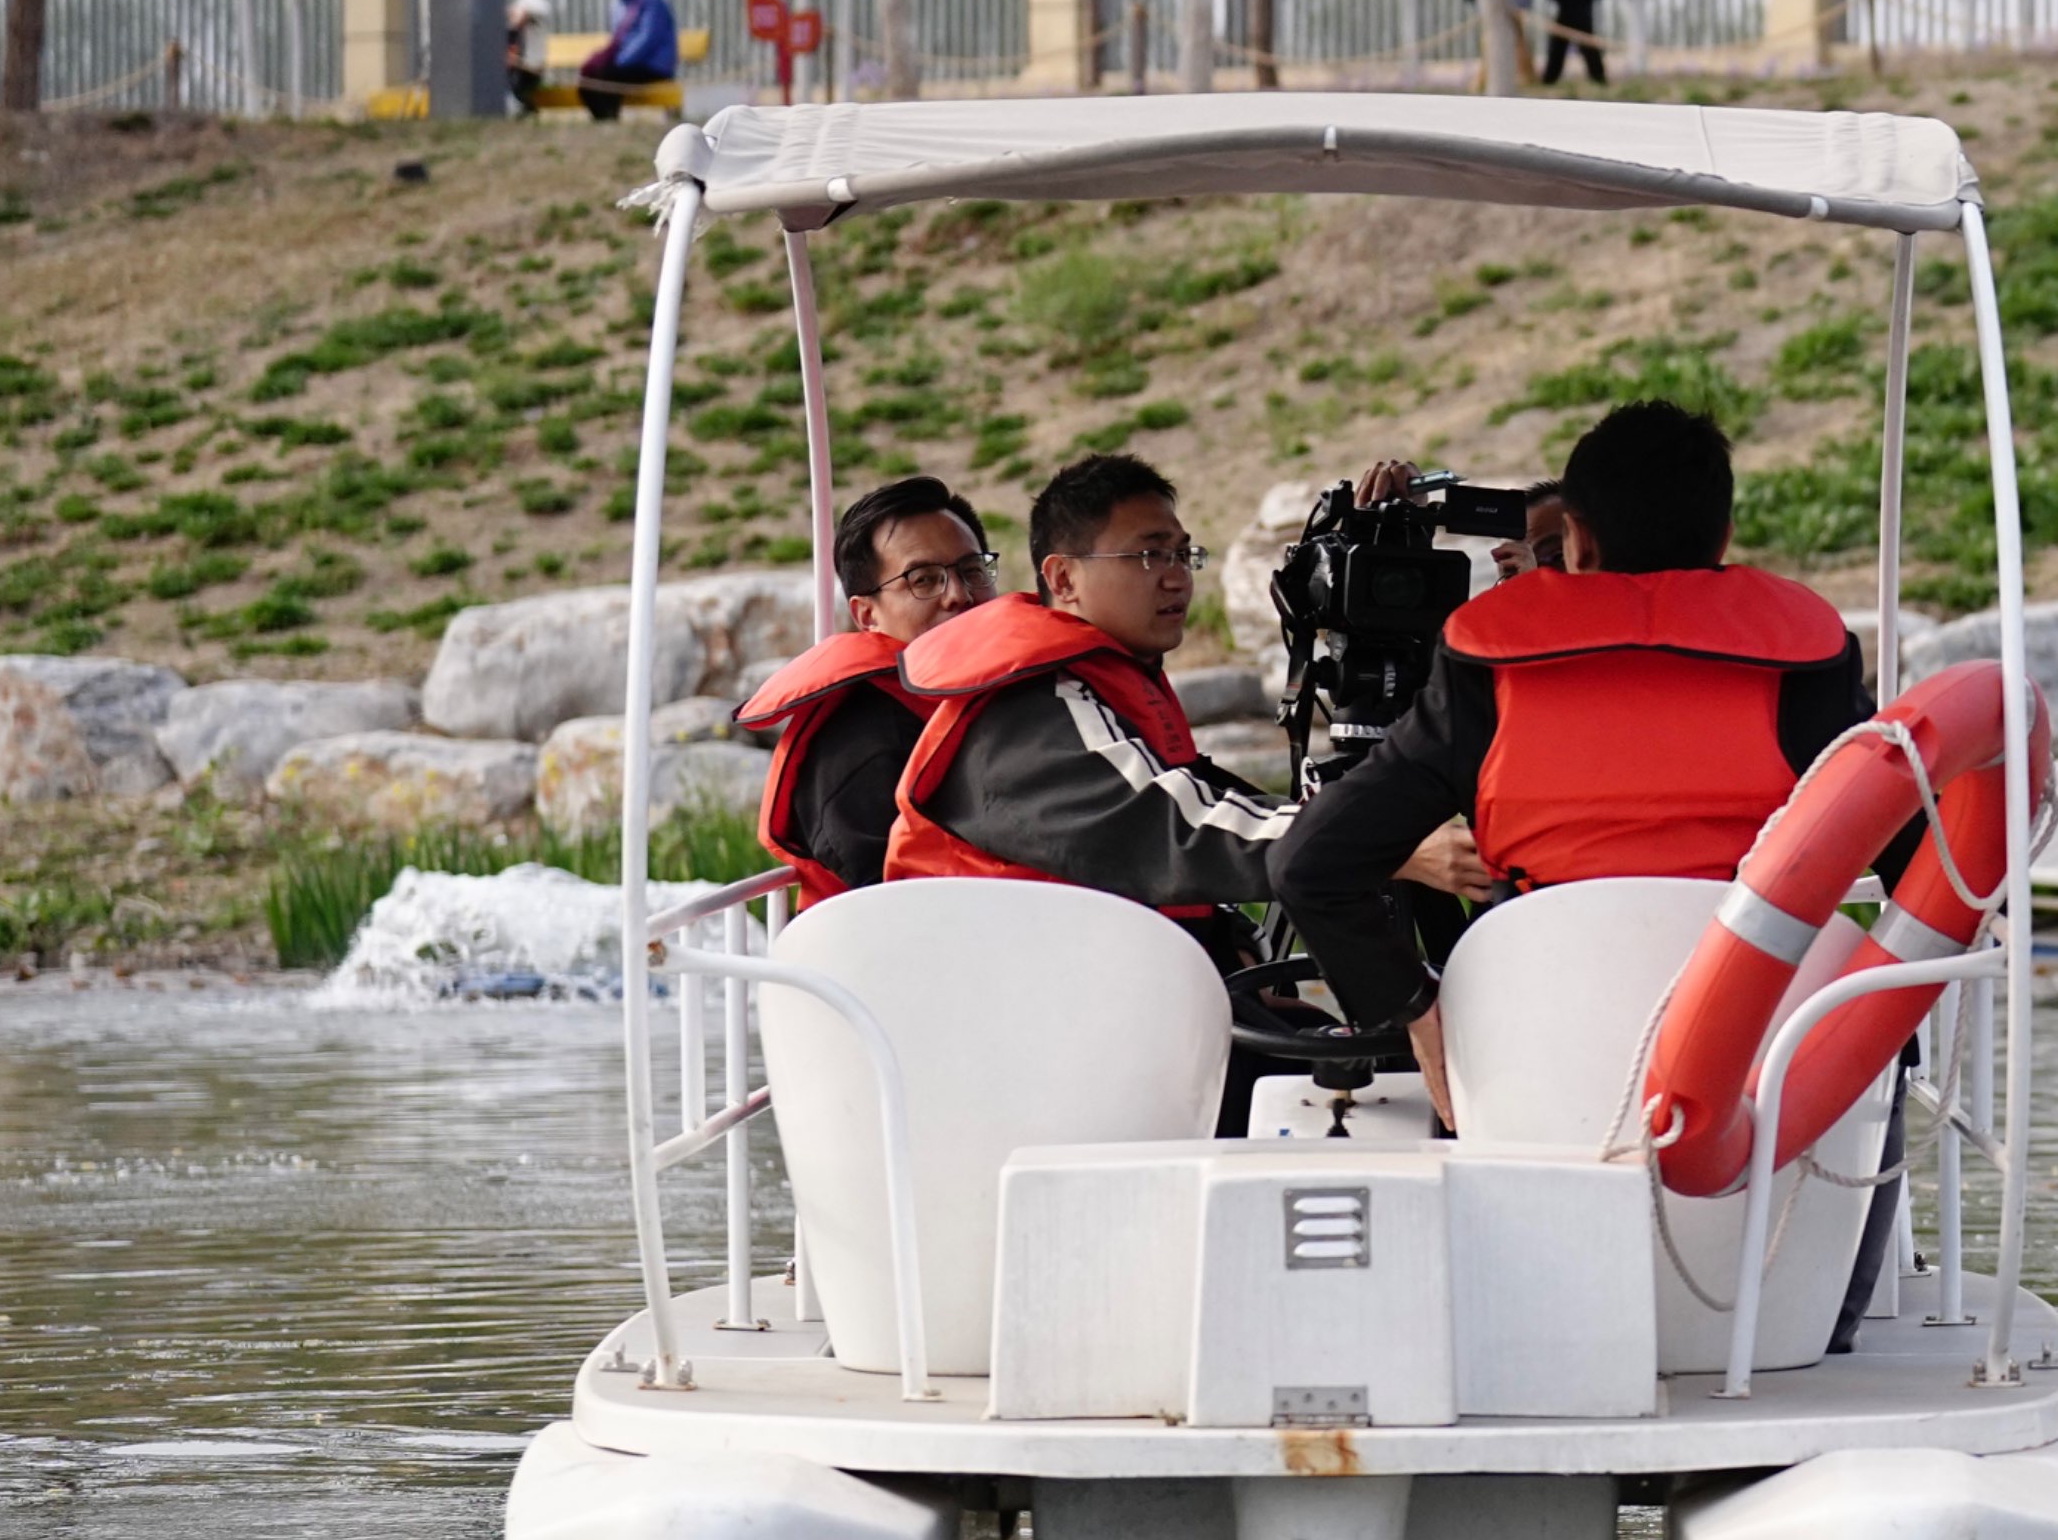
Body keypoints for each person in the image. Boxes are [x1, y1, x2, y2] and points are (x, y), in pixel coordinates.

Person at [1274, 400, 1878, 1111]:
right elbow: (1922, 855)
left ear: (1579, 541)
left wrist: (1413, 1010)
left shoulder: (1485, 673)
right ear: (1723, 538)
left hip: (1545, 1084)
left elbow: (1307, 866)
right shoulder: (1807, 661)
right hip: (1772, 1087)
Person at [883, 451, 1297, 946]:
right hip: (1003, 979)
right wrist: (1355, 835)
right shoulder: (1030, 709)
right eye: (1149, 555)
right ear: (1063, 579)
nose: (1177, 578)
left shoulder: (1100, 679)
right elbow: (1172, 833)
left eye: (1182, 555)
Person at [736, 476, 999, 901]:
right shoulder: (859, 741)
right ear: (866, 615)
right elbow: (886, 910)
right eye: (923, 579)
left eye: (972, 570)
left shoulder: (1013, 692)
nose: (959, 595)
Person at [579, 0, 682, 123]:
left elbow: (648, 39)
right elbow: (617, 40)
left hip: (652, 66)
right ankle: (606, 119)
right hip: (627, 65)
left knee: (606, 76)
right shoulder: (618, 5)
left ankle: (609, 119)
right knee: (589, 78)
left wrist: (620, 62)